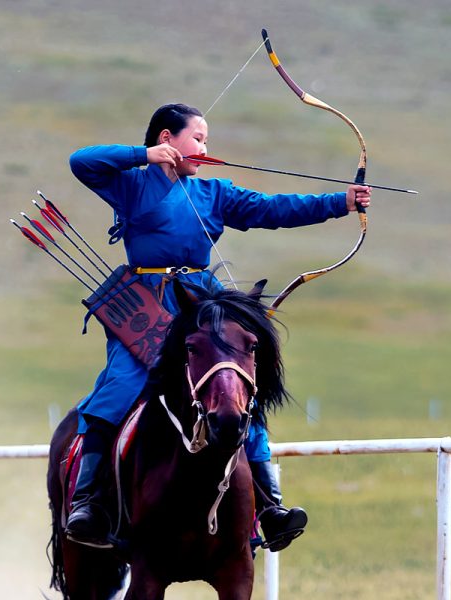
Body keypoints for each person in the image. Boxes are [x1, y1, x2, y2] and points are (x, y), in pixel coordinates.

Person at [65, 103, 371, 552]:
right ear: (168, 138)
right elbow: (81, 161)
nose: (206, 148)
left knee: (238, 390)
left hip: (200, 304)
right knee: (119, 387)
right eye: (199, 138)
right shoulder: (131, 183)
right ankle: (88, 503)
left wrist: (339, 203)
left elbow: (272, 209)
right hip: (144, 303)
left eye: (207, 140)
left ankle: (270, 506)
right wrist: (144, 155)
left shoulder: (214, 192)